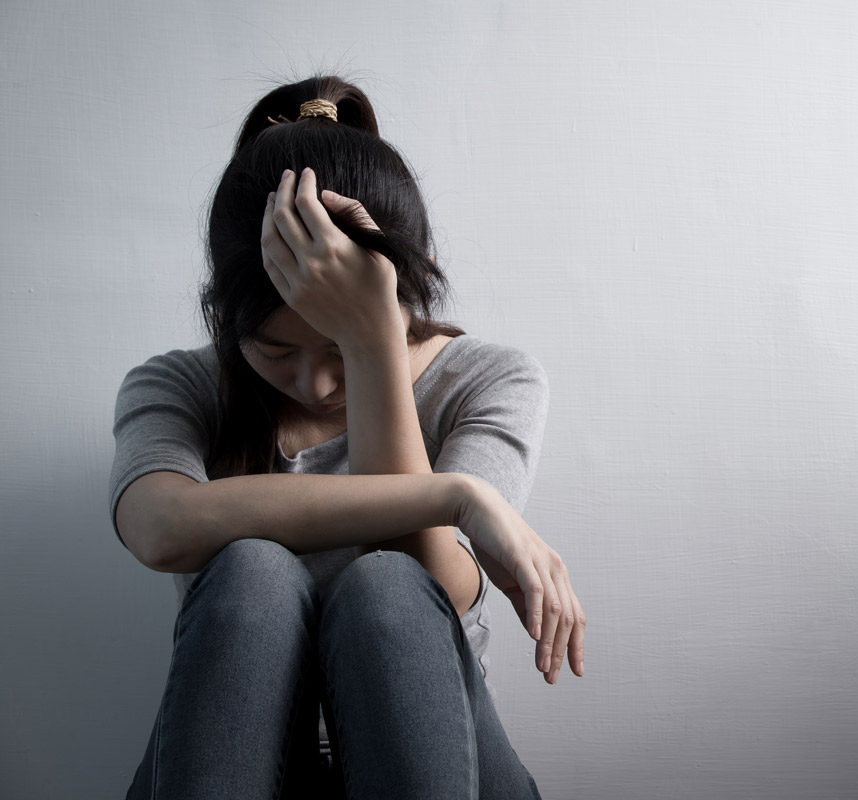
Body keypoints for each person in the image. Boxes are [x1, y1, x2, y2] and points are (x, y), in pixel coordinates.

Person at [109, 75, 584, 799]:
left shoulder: (490, 378)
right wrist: (454, 497)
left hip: (440, 761)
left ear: (401, 299)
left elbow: (434, 586)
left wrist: (373, 351)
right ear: (224, 318)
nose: (317, 385)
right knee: (252, 571)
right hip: (237, 762)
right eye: (275, 351)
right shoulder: (179, 384)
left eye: (337, 353)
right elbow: (159, 527)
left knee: (387, 584)